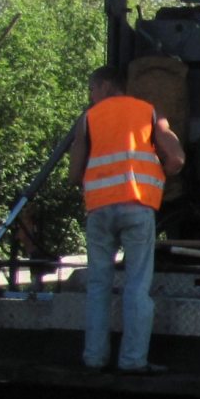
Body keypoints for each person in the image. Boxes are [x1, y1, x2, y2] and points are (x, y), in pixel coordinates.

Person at [67, 67, 185, 374]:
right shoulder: (148, 112)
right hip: (136, 207)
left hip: (100, 211)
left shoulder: (88, 119)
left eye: (92, 89)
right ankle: (133, 361)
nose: (91, 96)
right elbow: (176, 157)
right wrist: (163, 172)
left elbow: (73, 173)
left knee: (98, 286)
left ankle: (94, 358)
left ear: (105, 86)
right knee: (136, 287)